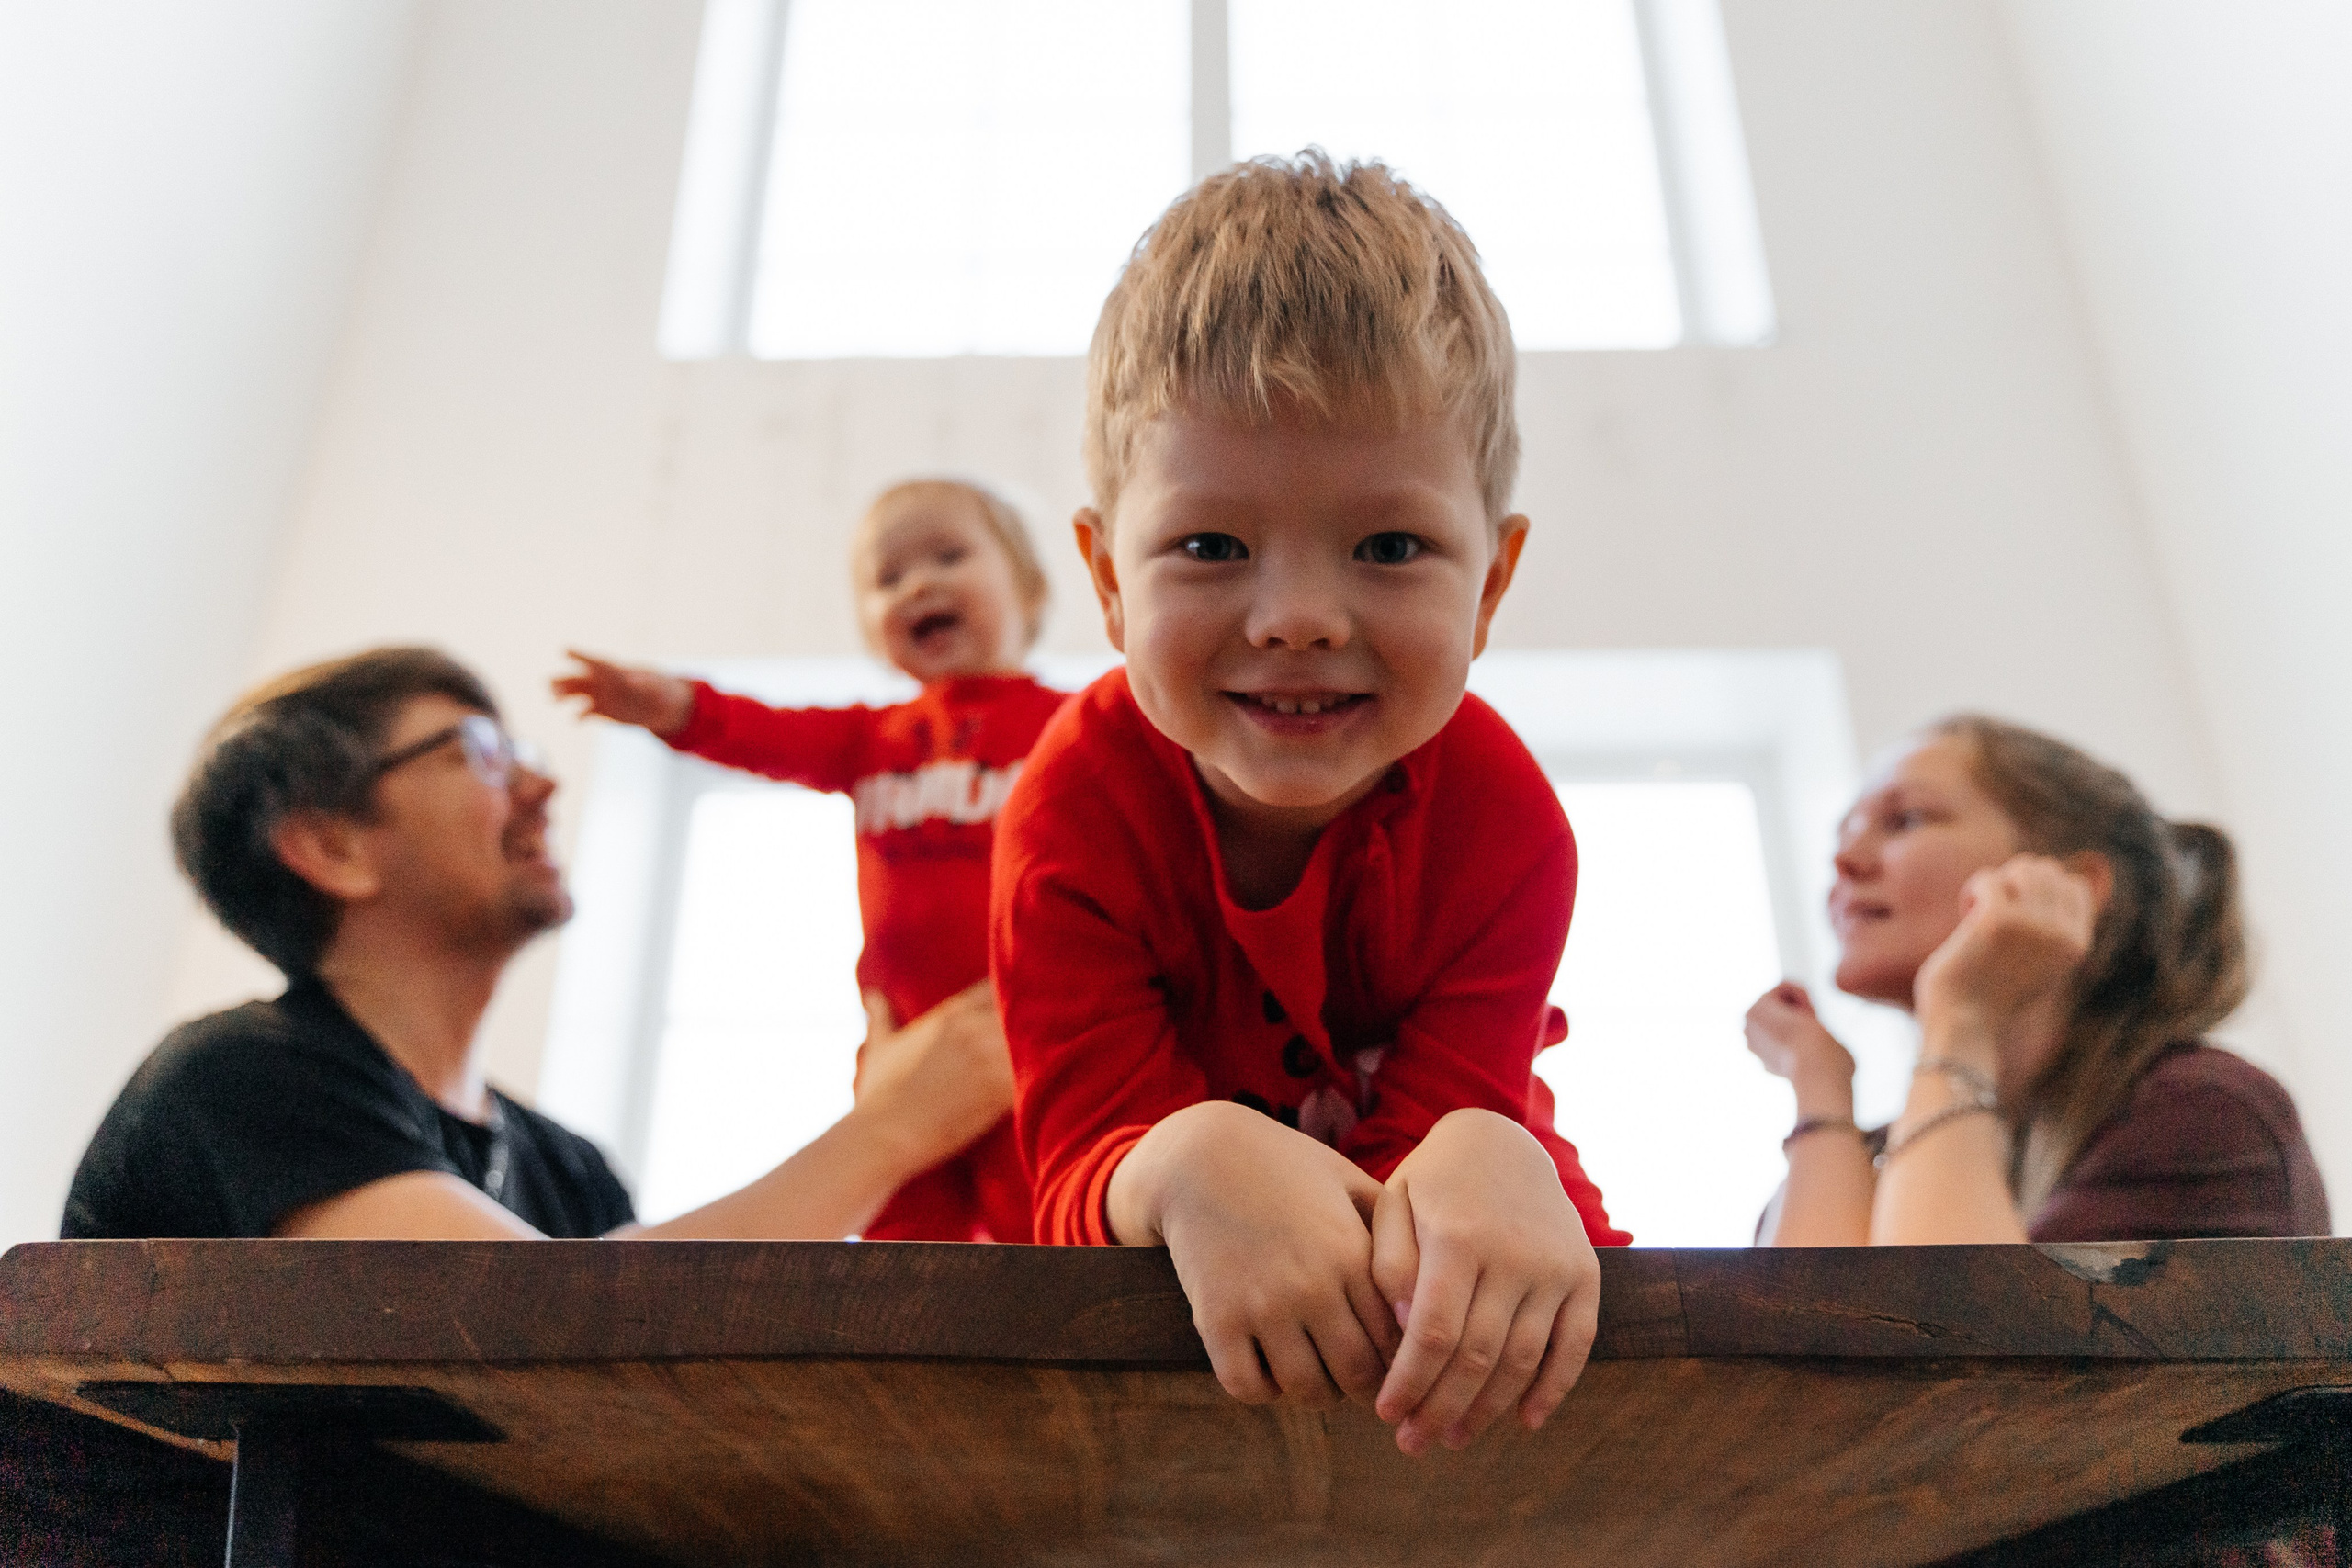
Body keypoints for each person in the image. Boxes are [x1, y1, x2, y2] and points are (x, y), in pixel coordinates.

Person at [990, 152, 1625, 1461]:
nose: (1297, 618)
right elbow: (1072, 1172)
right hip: (1178, 1361)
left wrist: (1487, 1145)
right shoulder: (1070, 811)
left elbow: (1444, 1156)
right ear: (1109, 581)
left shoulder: (1508, 822)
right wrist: (1176, 1159)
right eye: (1211, 547)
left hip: (1473, 1333)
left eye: (1390, 547)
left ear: (1491, 584)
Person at [64, 647, 1010, 1242]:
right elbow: (552, 1335)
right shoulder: (240, 1080)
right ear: (331, 847)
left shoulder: (569, 1172)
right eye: (479, 753)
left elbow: (650, 1395)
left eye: (530, 756)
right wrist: (893, 1128)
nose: (543, 790)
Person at [553, 479, 1063, 1242]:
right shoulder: (873, 738)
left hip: (1028, 1028)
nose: (917, 583)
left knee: (1043, 1218)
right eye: (886, 579)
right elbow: (766, 733)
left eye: (949, 556)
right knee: (900, 1232)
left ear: (1028, 586)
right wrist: (676, 707)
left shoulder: (1067, 724)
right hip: (899, 1043)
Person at [1747, 715, 2328, 1246]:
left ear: (2071, 882)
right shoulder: (1878, 1154)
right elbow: (1783, 1345)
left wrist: (1963, 1015)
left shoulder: (2198, 1111)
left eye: (1905, 820)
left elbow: (1953, 1342)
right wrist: (1820, 1087)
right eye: (1842, 833)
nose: (1844, 861)